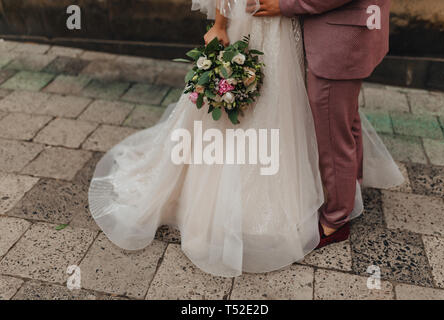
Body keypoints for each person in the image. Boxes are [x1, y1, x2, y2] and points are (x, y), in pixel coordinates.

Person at [88, 0, 403, 277]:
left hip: (289, 22)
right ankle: (337, 189)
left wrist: (287, 6)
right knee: (286, 111)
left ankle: (336, 205)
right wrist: (220, 23)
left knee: (312, 112)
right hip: (257, 16)